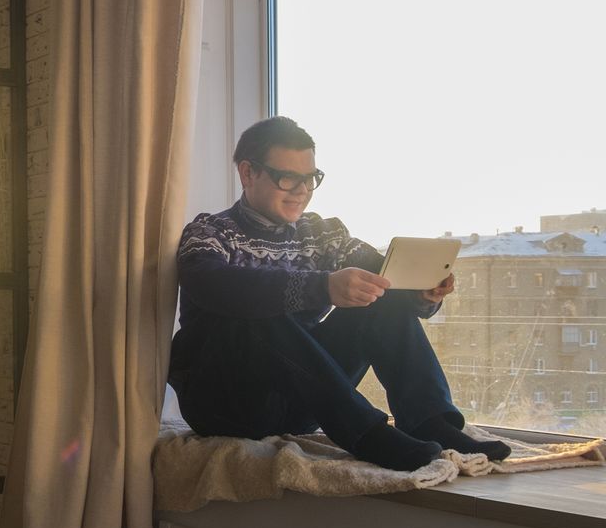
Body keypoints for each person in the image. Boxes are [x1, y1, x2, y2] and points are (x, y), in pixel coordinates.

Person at [167, 116, 509, 471]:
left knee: (378, 291)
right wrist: (323, 286)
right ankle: (367, 434)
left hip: (303, 401)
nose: (301, 190)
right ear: (248, 173)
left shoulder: (322, 234)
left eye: (310, 178)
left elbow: (384, 280)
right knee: (256, 310)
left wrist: (424, 293)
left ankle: (429, 422)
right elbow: (211, 285)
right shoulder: (210, 231)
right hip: (229, 404)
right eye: (288, 178)